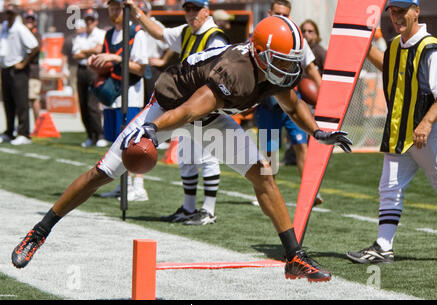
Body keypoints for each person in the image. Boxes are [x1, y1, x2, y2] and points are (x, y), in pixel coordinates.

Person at [11, 15, 352, 282]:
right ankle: (39, 232)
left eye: (291, 61)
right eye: (281, 60)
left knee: (263, 174)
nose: (289, 68)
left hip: (210, 116)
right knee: (104, 172)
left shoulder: (268, 70)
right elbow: (188, 111)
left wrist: (318, 132)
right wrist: (151, 127)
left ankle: (294, 257)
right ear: (260, 54)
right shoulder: (237, 72)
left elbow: (292, 105)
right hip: (170, 107)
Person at [346, 0, 437, 264]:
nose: (396, 16)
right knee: (389, 188)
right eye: (393, 11)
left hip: (429, 134)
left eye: (402, 11)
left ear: (417, 11)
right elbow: (390, 66)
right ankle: (383, 246)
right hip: (398, 133)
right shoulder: (395, 45)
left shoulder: (432, 50)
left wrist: (425, 123)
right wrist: (363, 46)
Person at [128, 0, 230, 225]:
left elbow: (218, 75)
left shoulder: (215, 37)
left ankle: (209, 210)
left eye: (196, 8)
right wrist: (137, 13)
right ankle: (189, 207)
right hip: (185, 106)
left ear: (206, 10)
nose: (191, 13)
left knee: (207, 157)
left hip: (206, 107)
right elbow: (159, 33)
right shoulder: (187, 32)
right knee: (186, 157)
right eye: (188, 8)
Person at [254, 0, 323, 205]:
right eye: (277, 13)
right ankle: (268, 191)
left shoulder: (296, 38)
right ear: (269, 13)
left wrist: (325, 95)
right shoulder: (257, 35)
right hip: (267, 103)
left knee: (302, 145)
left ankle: (311, 192)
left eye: (285, 15)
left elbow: (310, 68)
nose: (281, 18)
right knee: (270, 150)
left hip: (291, 100)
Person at [92, 0, 149, 201]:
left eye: (118, 8)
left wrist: (115, 59)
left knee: (132, 142)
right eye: (111, 8)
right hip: (113, 93)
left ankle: (139, 187)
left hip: (130, 94)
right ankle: (123, 185)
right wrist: (99, 62)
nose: (114, 11)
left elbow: (141, 68)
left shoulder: (137, 33)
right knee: (116, 141)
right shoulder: (109, 34)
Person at [0, 1, 39, 145]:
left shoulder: (19, 28)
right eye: (6, 12)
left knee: (21, 102)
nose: (8, 15)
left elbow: (35, 46)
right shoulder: (4, 27)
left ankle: (24, 133)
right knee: (8, 102)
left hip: (18, 71)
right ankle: (9, 131)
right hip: (5, 69)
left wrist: (23, 62)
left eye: (10, 13)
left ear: (15, 14)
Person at [72, 9, 108, 148]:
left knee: (92, 104)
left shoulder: (101, 34)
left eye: (91, 20)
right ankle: (90, 135)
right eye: (87, 20)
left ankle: (99, 134)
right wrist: (90, 50)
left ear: (96, 21)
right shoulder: (80, 37)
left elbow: (99, 50)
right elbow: (75, 55)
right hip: (81, 70)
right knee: (82, 104)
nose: (89, 22)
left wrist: (84, 52)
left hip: (94, 70)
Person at [136, 0, 173, 105]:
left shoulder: (156, 25)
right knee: (140, 102)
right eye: (140, 13)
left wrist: (163, 60)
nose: (142, 15)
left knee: (151, 102)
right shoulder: (136, 26)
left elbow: (173, 43)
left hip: (152, 68)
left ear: (150, 12)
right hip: (137, 67)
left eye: (144, 12)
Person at [23, 10, 42, 124]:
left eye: (32, 19)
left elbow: (34, 51)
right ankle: (23, 126)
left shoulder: (37, 35)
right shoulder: (21, 34)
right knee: (21, 100)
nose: (29, 21)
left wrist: (23, 62)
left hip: (32, 72)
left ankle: (37, 125)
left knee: (33, 98)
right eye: (27, 18)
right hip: (22, 72)